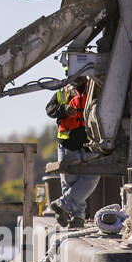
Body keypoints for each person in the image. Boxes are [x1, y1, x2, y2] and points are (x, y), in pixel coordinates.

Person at [45, 80, 99, 226]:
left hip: (91, 143)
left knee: (92, 176)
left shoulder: (96, 87)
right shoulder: (64, 91)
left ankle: (63, 205)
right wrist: (63, 109)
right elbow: (50, 109)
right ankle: (78, 218)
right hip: (68, 142)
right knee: (69, 181)